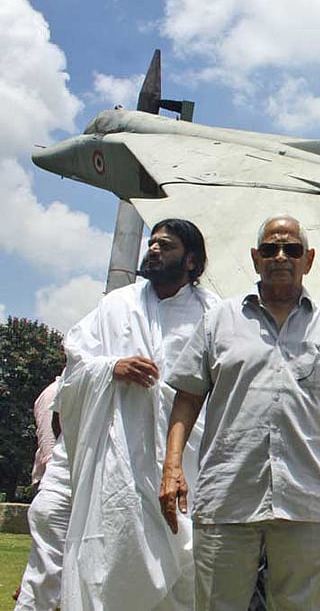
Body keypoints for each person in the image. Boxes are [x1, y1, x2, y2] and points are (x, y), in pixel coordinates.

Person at [160, 215, 320, 611]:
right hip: (228, 496)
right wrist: (172, 466)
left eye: (291, 249)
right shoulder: (220, 319)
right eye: (270, 249)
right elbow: (187, 397)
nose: (280, 257)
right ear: (256, 258)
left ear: (308, 259)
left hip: (305, 498)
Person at [57, 218, 218, 611]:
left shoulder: (214, 313)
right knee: (113, 553)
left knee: (186, 563)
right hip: (121, 458)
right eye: (153, 242)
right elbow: (75, 364)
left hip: (190, 461)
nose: (154, 250)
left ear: (192, 262)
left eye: (167, 245)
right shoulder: (117, 305)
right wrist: (111, 368)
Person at [14, 378, 66, 611]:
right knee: (48, 570)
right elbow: (50, 451)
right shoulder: (52, 394)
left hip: (68, 486)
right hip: (57, 487)